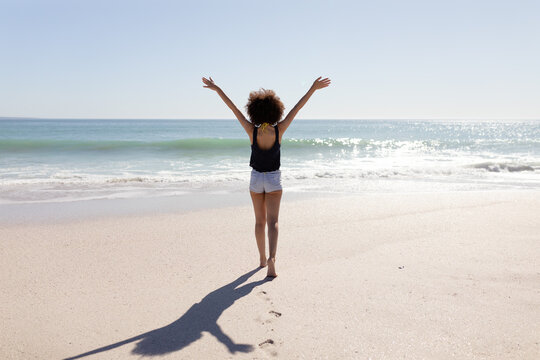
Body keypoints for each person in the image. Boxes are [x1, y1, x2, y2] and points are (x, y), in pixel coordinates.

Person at [202, 76, 331, 277]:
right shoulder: (279, 130)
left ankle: (261, 259)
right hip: (273, 179)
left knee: (259, 222)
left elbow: (233, 108)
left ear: (253, 111)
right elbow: (297, 109)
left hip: (255, 179)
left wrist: (217, 89)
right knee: (273, 221)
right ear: (276, 110)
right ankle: (272, 258)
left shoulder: (251, 130)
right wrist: (313, 89)